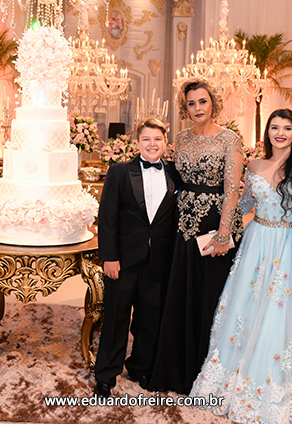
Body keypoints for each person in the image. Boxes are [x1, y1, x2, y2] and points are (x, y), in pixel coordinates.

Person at [190, 108, 292, 423]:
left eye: (287, 128)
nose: (280, 133)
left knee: (288, 311)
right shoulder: (254, 164)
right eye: (275, 127)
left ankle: (283, 384)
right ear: (267, 131)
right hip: (257, 242)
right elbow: (245, 203)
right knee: (247, 305)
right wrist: (220, 227)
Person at [149, 78, 245, 394]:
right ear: (185, 108)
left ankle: (206, 372)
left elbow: (232, 189)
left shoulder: (229, 139)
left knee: (209, 295)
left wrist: (224, 232)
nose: (197, 108)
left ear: (212, 103)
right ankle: (176, 368)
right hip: (183, 226)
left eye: (202, 101)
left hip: (215, 225)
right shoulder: (181, 138)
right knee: (182, 292)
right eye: (191, 103)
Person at [94, 118, 182, 397]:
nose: (152, 144)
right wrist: (109, 257)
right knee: (116, 317)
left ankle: (141, 367)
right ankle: (106, 374)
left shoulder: (175, 173)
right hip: (123, 260)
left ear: (166, 143)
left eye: (157, 139)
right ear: (137, 143)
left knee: (150, 318)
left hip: (158, 260)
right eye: (146, 139)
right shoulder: (120, 172)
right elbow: (107, 218)